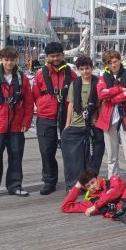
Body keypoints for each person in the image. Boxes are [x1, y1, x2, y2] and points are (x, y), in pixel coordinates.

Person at [0, 47, 33, 201]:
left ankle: (15, 186)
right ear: (1, 60)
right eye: (6, 59)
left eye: (12, 60)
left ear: (16, 60)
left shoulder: (22, 78)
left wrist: (26, 122)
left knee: (16, 156)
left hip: (16, 126)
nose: (9, 63)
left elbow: (29, 103)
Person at [33, 42, 77, 195]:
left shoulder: (71, 74)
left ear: (63, 55)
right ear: (47, 57)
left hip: (66, 115)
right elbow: (35, 94)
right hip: (46, 116)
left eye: (58, 55)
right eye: (52, 56)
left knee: (70, 151)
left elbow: (76, 94)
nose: (56, 58)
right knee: (46, 150)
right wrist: (44, 104)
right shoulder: (40, 74)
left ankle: (72, 182)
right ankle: (49, 181)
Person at [96, 50, 126, 185]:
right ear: (106, 64)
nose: (113, 64)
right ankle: (113, 184)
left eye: (115, 61)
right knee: (111, 155)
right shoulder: (103, 77)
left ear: (119, 60)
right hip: (108, 119)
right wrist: (120, 89)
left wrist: (113, 98)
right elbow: (101, 94)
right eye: (109, 62)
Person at [61, 55, 105, 191]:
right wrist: (67, 124)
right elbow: (71, 104)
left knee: (93, 157)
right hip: (77, 124)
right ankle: (74, 185)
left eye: (87, 68)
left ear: (92, 68)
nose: (85, 72)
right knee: (74, 158)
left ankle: (91, 184)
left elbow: (102, 105)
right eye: (82, 69)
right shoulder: (75, 84)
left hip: (93, 124)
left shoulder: (98, 83)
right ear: (79, 70)